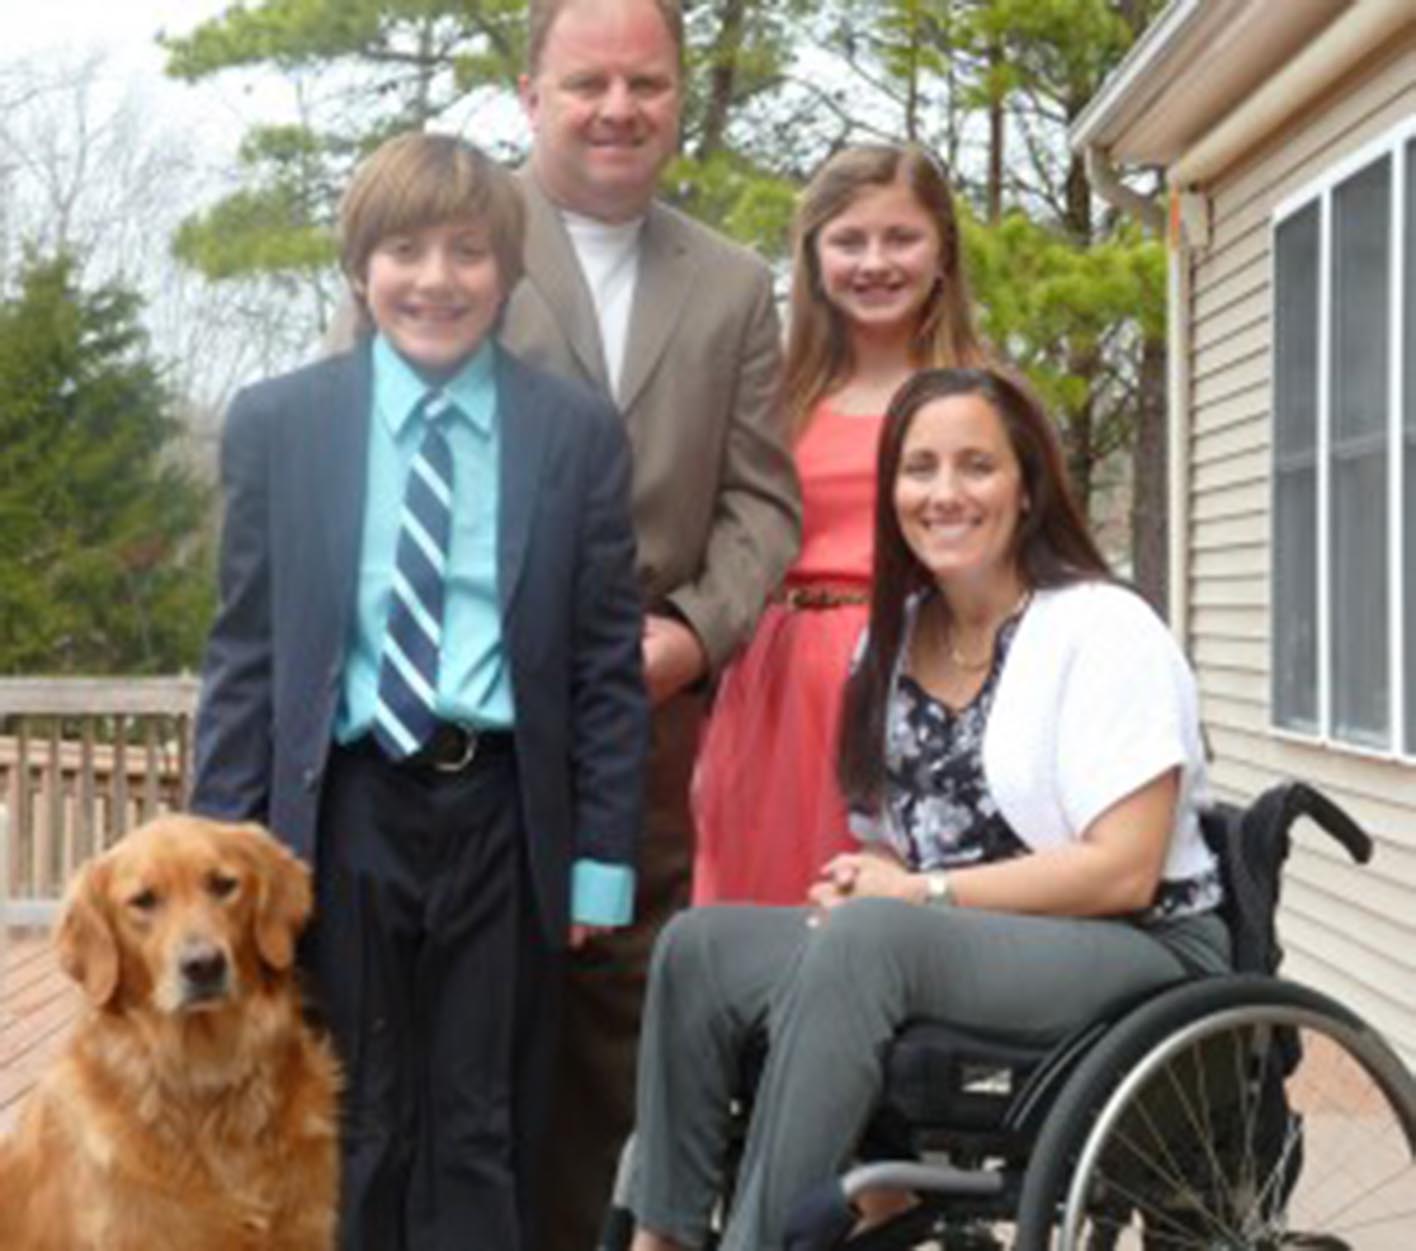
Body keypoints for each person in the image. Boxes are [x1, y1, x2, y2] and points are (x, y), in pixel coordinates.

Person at [629, 367, 1231, 1251]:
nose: (944, 493)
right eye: (919, 469)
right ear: (892, 493)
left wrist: (921, 896)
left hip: (1137, 944)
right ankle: (664, 1237)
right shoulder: (897, 634)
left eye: (976, 466)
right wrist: (872, 883)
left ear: (1027, 486)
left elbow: (1125, 866)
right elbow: (896, 847)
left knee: (873, 938)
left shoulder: (1104, 627)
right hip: (963, 938)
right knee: (700, 947)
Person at [190, 132, 649, 1251]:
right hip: (340, 812)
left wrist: (598, 863)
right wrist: (216, 869)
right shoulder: (281, 425)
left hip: (500, 813)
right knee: (351, 1104)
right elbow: (245, 652)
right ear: (361, 268)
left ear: (506, 272)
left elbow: (603, 666)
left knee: (481, 1114)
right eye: (406, 251)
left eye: (467, 253)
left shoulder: (571, 433)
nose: (437, 280)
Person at [503, 1, 801, 1245]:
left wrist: (690, 633)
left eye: (647, 82)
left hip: (648, 732)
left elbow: (761, 505)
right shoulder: (452, 240)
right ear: (531, 94)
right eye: (587, 83)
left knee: (616, 1035)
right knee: (465, 1022)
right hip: (470, 725)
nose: (618, 108)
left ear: (680, 96)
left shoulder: (731, 285)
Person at [692, 143, 988, 908]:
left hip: (910, 670)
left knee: (868, 916)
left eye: (901, 238)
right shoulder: (772, 393)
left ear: (943, 252)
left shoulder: (983, 396)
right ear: (814, 258)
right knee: (753, 909)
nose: (875, 262)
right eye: (848, 240)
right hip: (771, 683)